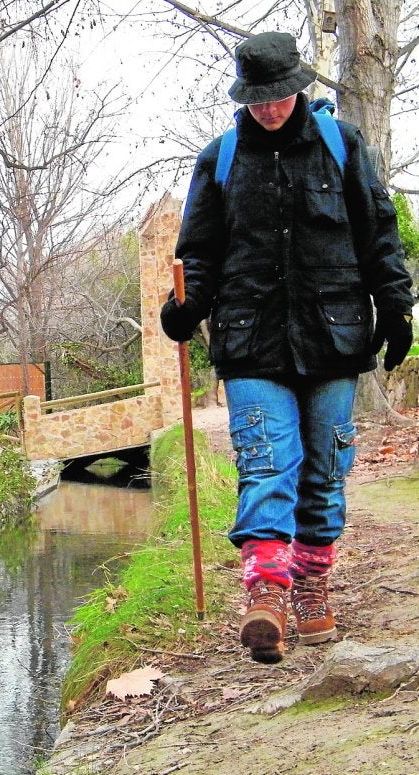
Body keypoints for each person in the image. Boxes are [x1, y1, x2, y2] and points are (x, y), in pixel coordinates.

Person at [160, 31, 414, 664]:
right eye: (258, 99)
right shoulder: (219, 159)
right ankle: (267, 594)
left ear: (299, 86)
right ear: (243, 97)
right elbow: (200, 248)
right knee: (266, 462)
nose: (270, 108)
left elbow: (377, 228)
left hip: (334, 334)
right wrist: (189, 304)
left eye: (279, 96)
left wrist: (397, 304)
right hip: (251, 339)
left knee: (325, 472)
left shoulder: (341, 144)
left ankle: (311, 584)